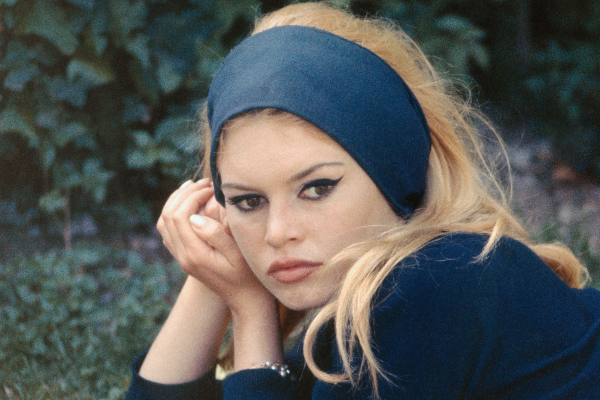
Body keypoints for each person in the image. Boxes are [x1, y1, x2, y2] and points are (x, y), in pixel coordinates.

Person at [126, 3, 600, 399]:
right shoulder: (364, 300)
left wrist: (250, 312)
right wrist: (210, 269)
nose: (278, 232)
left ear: (393, 171)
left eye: (317, 188)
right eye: (249, 200)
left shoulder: (431, 283)